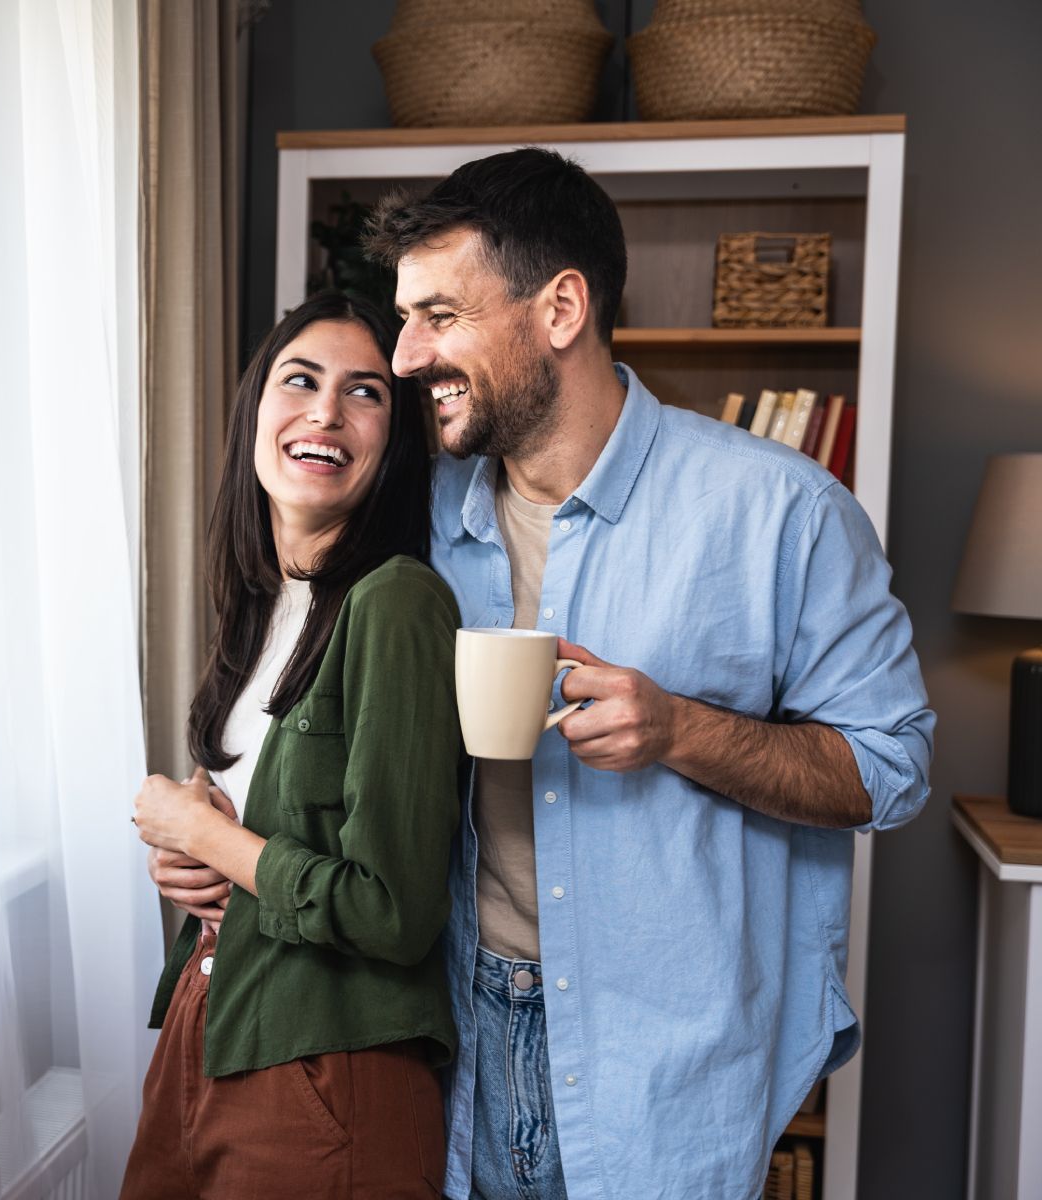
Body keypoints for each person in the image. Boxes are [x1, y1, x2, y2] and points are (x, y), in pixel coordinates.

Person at [362, 149, 935, 1200]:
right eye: (406, 320)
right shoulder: (425, 511)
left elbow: (890, 770)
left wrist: (680, 731)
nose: (405, 357)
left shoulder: (783, 514)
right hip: (451, 1033)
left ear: (562, 308)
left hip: (668, 1062)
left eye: (438, 315)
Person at [122, 290, 462, 1200]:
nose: (325, 412)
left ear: (394, 443)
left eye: (365, 393)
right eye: (300, 380)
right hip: (209, 1018)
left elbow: (391, 910)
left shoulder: (396, 602)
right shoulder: (259, 606)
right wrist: (189, 855)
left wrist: (207, 840)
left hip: (326, 1062)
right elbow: (253, 835)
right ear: (255, 410)